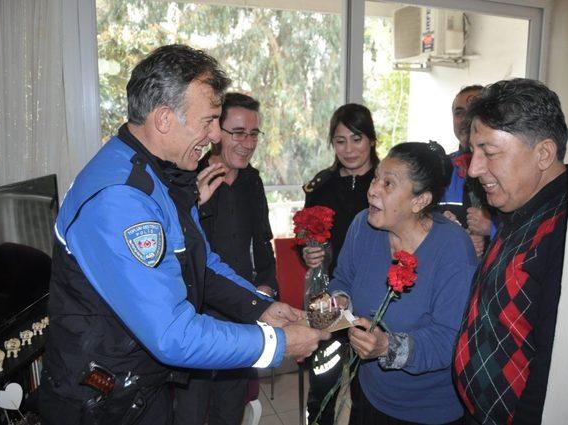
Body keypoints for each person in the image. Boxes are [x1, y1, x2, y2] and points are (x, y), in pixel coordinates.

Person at [38, 44, 328, 425]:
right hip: (101, 403)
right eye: (208, 121)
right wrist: (280, 344)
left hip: (141, 386)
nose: (213, 135)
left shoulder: (166, 176)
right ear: (163, 119)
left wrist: (261, 308)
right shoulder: (121, 198)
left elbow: (201, 262)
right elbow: (173, 333)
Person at [329, 142, 478, 424]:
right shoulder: (363, 225)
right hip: (371, 394)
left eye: (388, 184)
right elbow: (343, 279)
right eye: (376, 178)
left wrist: (387, 347)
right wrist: (339, 304)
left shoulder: (453, 250)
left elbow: (449, 340)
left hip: (428, 411)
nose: (373, 189)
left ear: (419, 201)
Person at [453, 78, 568, 424]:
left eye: (489, 153)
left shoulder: (566, 231)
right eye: (473, 152)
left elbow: (552, 368)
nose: (474, 169)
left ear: (544, 154)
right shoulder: (518, 205)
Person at [174, 92, 277, 425]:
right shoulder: (188, 178)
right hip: (197, 316)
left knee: (230, 410)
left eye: (253, 133)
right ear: (216, 131)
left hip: (242, 313)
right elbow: (178, 253)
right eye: (238, 133)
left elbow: (263, 242)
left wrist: (266, 286)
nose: (247, 143)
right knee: (189, 411)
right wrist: (195, 206)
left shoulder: (252, 181)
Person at [301, 103, 380, 425]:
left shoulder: (387, 184)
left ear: (371, 140)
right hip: (328, 299)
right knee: (323, 379)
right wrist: (309, 254)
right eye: (340, 140)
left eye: (356, 138)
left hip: (374, 297)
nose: (349, 149)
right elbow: (308, 244)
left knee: (367, 386)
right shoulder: (321, 187)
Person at [439, 84, 494, 257]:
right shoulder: (441, 168)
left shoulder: (506, 168)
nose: (465, 120)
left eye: (472, 111)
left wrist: (490, 227)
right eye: (459, 112)